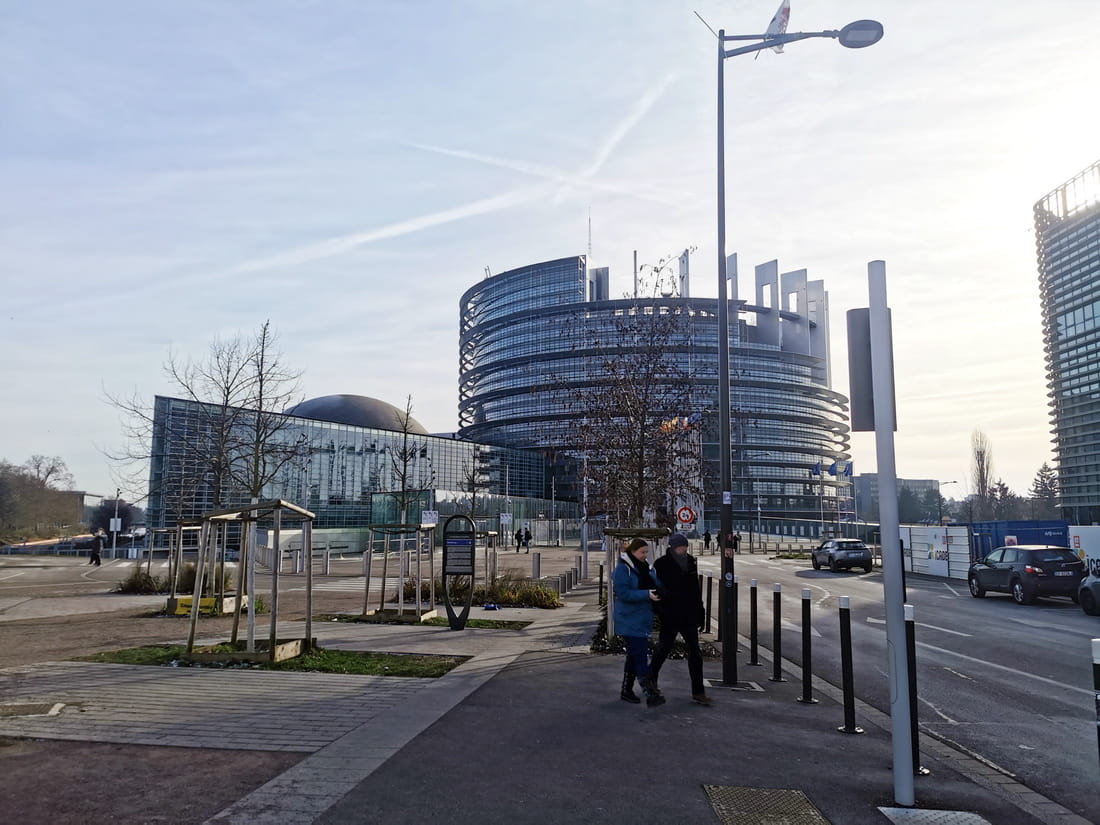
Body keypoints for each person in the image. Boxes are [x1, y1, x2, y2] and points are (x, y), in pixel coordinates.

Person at [650, 532, 711, 705]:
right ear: (673, 546)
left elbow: (695, 588)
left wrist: (700, 611)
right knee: (663, 648)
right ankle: (651, 680)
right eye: (681, 546)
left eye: (685, 546)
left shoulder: (691, 561)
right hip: (670, 614)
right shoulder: (661, 564)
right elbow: (656, 589)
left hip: (689, 614)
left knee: (695, 653)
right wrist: (661, 611)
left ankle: (698, 692)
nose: (684, 549)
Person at [611, 538, 665, 707]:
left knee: (634, 656)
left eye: (646, 552)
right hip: (628, 619)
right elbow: (623, 593)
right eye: (642, 552)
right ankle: (651, 693)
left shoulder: (645, 568)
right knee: (640, 656)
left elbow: (656, 583)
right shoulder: (623, 569)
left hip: (641, 619)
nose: (645, 555)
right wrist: (646, 595)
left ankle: (626, 690)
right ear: (632, 552)